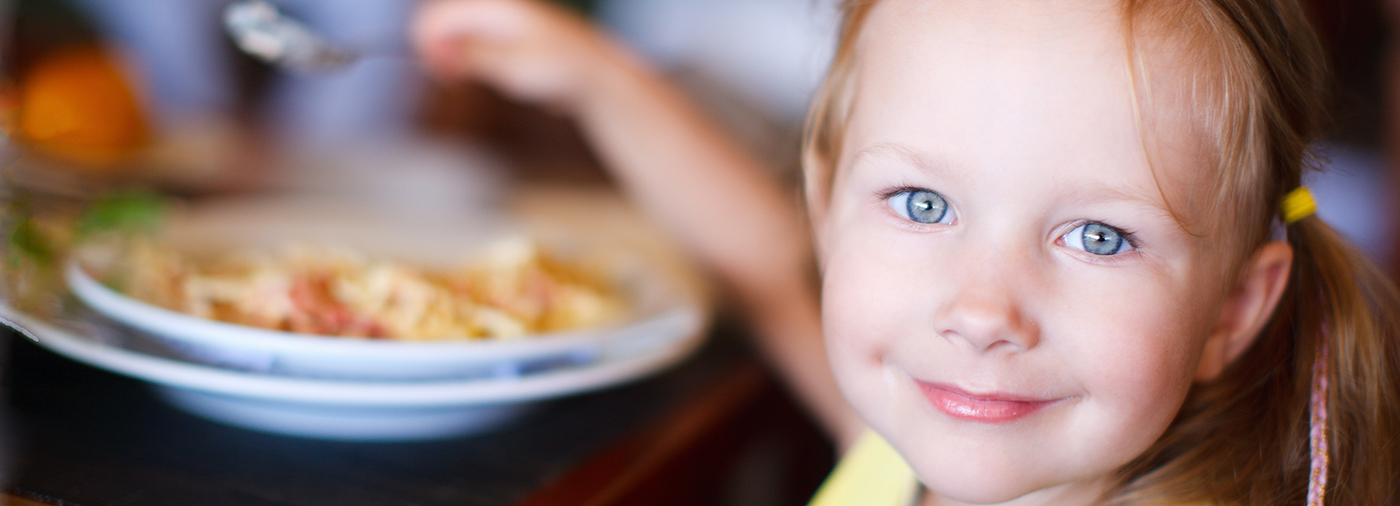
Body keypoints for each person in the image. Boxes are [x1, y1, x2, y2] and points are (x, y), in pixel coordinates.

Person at [414, 0, 1400, 505]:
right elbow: (760, 256)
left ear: (1231, 309)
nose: (979, 309)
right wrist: (593, 77)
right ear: (827, 203)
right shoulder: (892, 457)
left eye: (1097, 235)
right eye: (920, 202)